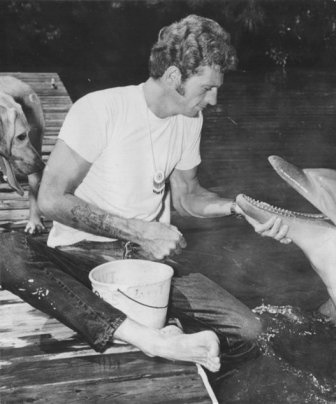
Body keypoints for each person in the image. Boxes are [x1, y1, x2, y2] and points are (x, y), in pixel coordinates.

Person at [1, 15, 290, 374]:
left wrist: (236, 208)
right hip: (83, 260)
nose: (214, 100)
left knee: (251, 332)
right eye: (207, 88)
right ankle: (154, 338)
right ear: (173, 77)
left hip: (150, 268)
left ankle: (161, 332)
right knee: (6, 252)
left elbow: (187, 196)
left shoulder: (189, 121)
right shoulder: (99, 109)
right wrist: (139, 231)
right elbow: (50, 199)